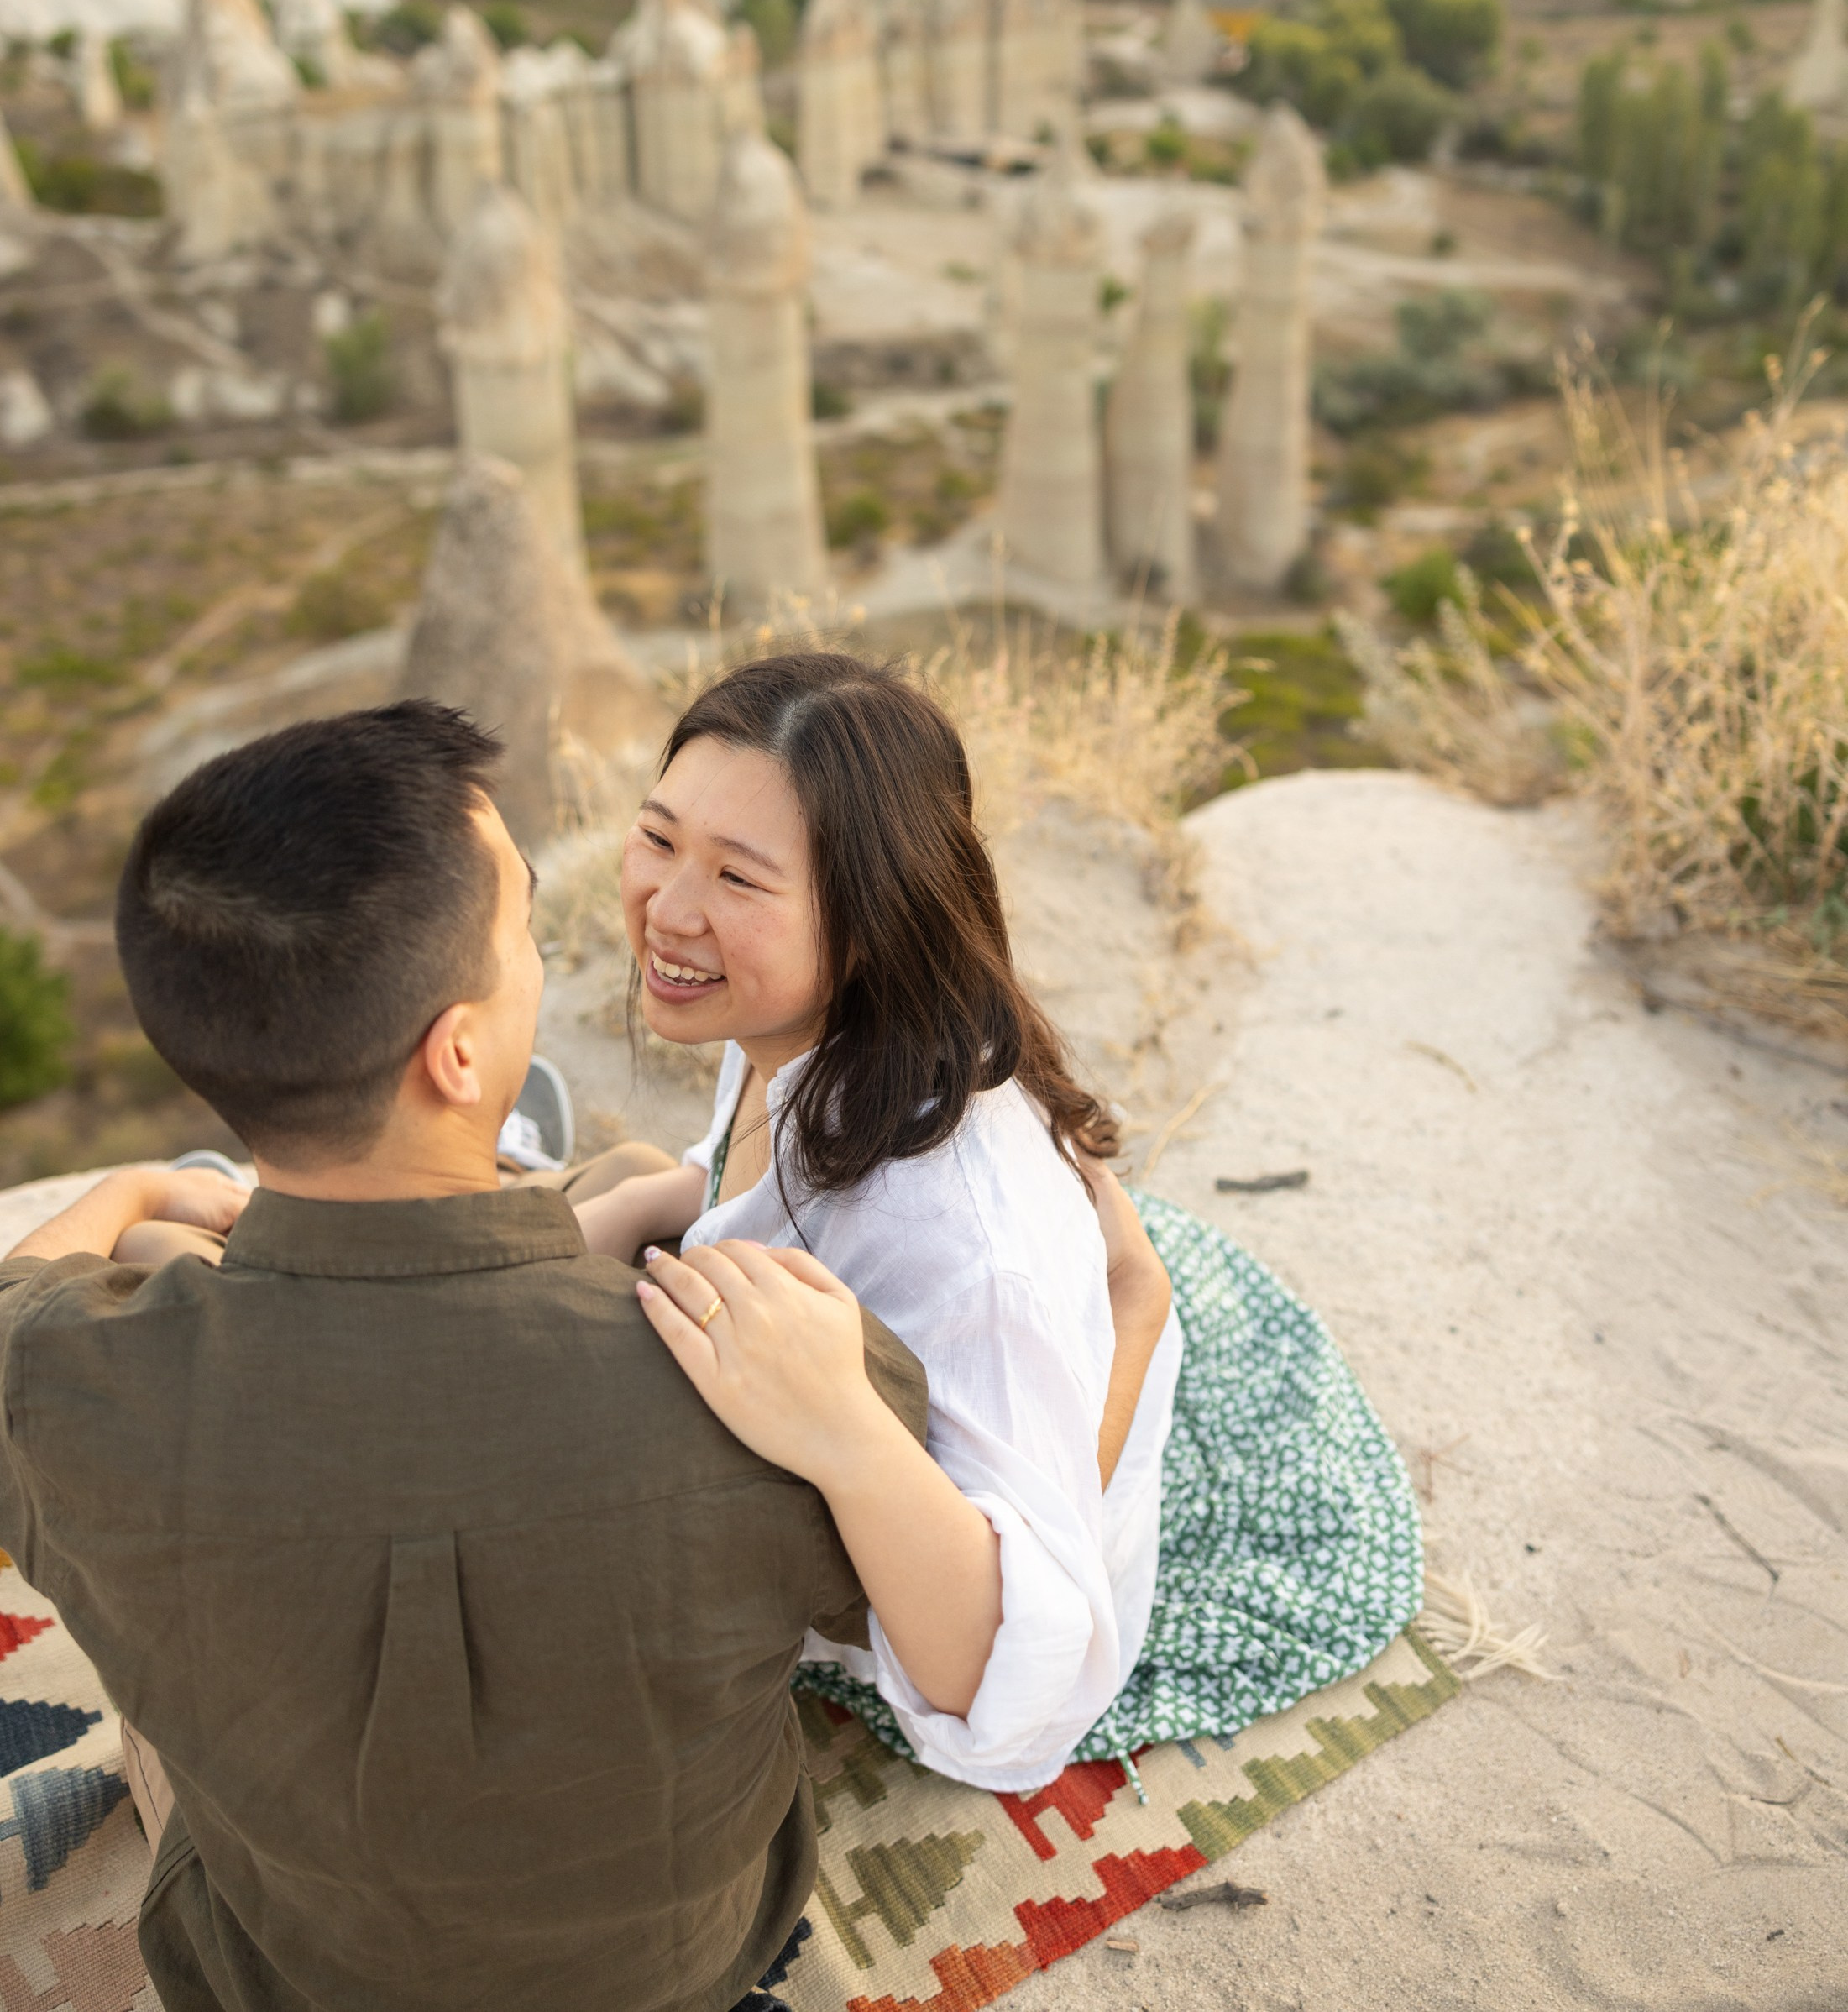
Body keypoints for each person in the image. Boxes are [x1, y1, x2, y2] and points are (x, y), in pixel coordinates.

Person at [0, 700, 938, 2012]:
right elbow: (912, 1591)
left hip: (282, 1976)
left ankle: (314, 1186)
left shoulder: (55, 1388)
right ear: (457, 1050)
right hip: (684, 1956)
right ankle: (508, 1177)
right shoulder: (760, 1363)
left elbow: (19, 1293)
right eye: (518, 931)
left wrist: (138, 1188)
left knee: (147, 1546)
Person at [577, 650, 1423, 1792]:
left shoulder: (953, 1235)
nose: (668, 908)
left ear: (872, 921)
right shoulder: (814, 1027)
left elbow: (1023, 1714)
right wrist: (649, 1197)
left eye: (738, 878)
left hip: (964, 1538)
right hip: (938, 1376)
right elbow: (744, 1168)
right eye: (659, 838)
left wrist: (841, 1429)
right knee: (607, 1201)